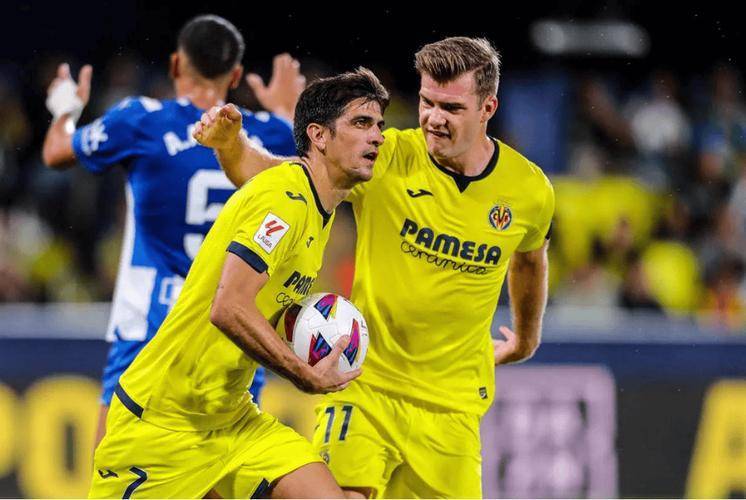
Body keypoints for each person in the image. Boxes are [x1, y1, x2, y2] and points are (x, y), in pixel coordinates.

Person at [196, 36, 554, 498]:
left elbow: (529, 259)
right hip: (366, 387)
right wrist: (230, 146)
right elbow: (279, 177)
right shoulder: (388, 156)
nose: (434, 118)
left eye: (451, 107)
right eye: (427, 102)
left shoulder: (529, 191)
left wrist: (526, 337)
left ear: (488, 107)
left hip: (453, 409)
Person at [88, 67, 389, 498]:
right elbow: (227, 307)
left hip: (232, 419)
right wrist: (301, 372)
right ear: (319, 136)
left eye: (378, 125)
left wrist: (230, 144)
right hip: (161, 424)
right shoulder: (286, 201)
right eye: (361, 123)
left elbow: (252, 168)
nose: (377, 136)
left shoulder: (313, 200)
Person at [42, 14, 305, 444]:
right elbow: (314, 165)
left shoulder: (140, 121)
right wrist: (287, 112)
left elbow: (56, 152)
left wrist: (65, 109)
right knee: (220, 467)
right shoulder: (273, 136)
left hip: (150, 325)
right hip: (232, 329)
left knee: (116, 467)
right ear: (235, 75)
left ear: (175, 65)